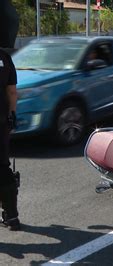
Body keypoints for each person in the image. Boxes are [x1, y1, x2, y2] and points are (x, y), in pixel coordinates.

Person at [0, 0, 20, 231]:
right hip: (1, 123)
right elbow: (12, 92)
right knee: (3, 166)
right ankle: (11, 216)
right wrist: (12, 115)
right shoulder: (5, 59)